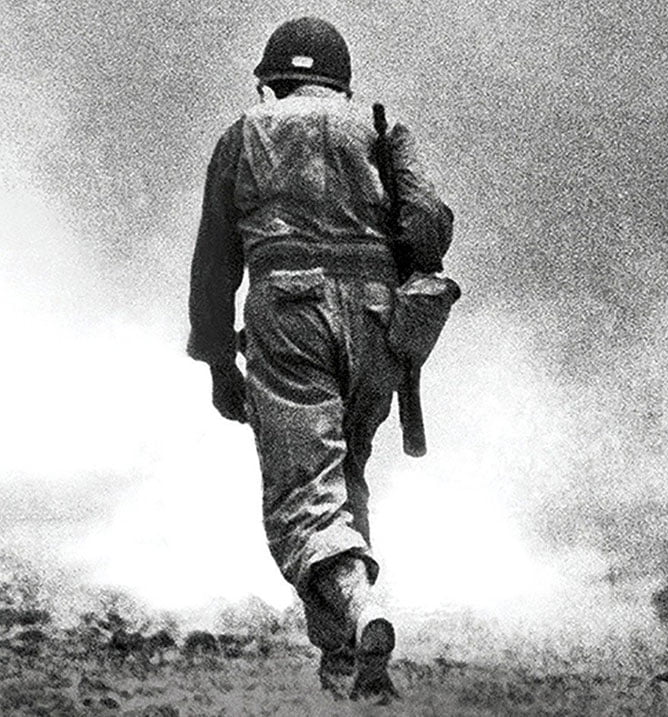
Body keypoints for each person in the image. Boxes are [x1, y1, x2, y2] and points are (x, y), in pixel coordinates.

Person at [187, 16, 453, 703]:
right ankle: (345, 662)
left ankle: (362, 608)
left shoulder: (245, 134)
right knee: (343, 477)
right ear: (342, 83)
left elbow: (215, 262)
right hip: (376, 321)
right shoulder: (382, 130)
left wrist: (218, 362)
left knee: (304, 496)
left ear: (271, 82)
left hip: (290, 315)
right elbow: (427, 227)